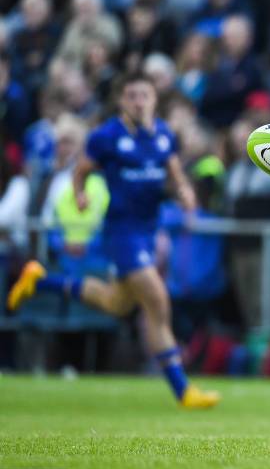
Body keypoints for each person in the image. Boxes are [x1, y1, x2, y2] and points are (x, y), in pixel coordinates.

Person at [7, 73, 220, 409]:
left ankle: (40, 281)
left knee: (115, 303)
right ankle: (183, 390)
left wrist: (185, 194)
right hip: (121, 231)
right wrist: (79, 195)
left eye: (144, 95)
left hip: (148, 230)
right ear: (122, 100)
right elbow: (81, 171)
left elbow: (175, 174)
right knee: (157, 300)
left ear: (154, 99)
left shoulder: (163, 135)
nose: (139, 101)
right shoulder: (107, 136)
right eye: (132, 95)